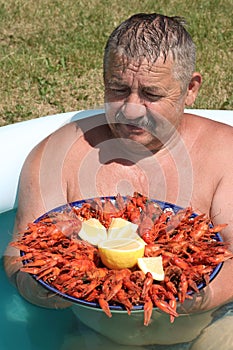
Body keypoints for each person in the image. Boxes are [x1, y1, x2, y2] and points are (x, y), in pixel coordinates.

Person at [4, 13, 233, 347]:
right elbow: (17, 254)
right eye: (119, 89)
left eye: (152, 94)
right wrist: (42, 287)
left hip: (209, 327)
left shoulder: (225, 155)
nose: (132, 109)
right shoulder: (56, 156)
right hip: (94, 335)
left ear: (190, 89)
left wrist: (198, 295)